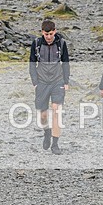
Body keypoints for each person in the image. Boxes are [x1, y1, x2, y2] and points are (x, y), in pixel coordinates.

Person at [29, 19, 70, 155]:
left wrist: (66, 82)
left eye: (51, 34)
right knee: (43, 115)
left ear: (55, 32)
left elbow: (65, 63)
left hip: (57, 81)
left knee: (56, 110)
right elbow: (31, 64)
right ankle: (47, 132)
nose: (49, 37)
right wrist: (35, 83)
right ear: (42, 33)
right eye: (46, 34)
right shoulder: (36, 44)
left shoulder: (62, 44)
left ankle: (55, 144)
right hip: (41, 82)